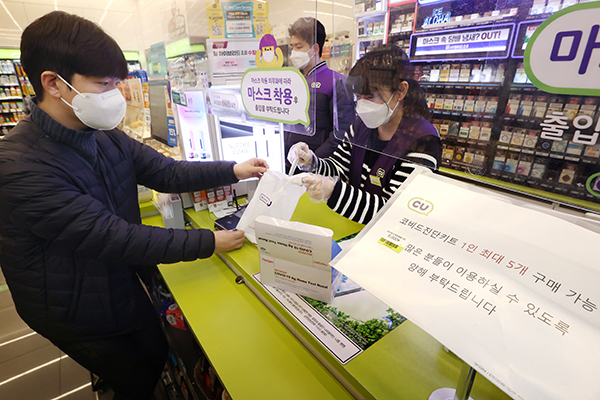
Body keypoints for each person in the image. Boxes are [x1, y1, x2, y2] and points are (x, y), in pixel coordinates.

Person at [0, 11, 267, 400]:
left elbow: (167, 173)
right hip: (72, 307)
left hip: (113, 281)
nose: (114, 94)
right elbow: (114, 237)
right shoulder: (18, 166)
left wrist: (234, 169)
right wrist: (210, 241)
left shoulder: (102, 133)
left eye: (116, 82)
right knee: (136, 373)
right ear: (53, 84)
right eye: (103, 83)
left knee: (153, 351)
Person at [288, 45, 442, 224]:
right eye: (358, 97)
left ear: (401, 91)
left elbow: (393, 212)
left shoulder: (424, 141)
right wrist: (311, 162)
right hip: (352, 228)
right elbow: (338, 167)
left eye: (371, 97)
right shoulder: (361, 126)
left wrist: (333, 191)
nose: (362, 106)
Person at [284, 17, 355, 169]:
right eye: (292, 47)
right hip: (291, 162)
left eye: (299, 47)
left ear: (315, 49)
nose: (293, 53)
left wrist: (314, 160)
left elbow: (342, 132)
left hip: (319, 166)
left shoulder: (336, 81)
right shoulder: (293, 80)